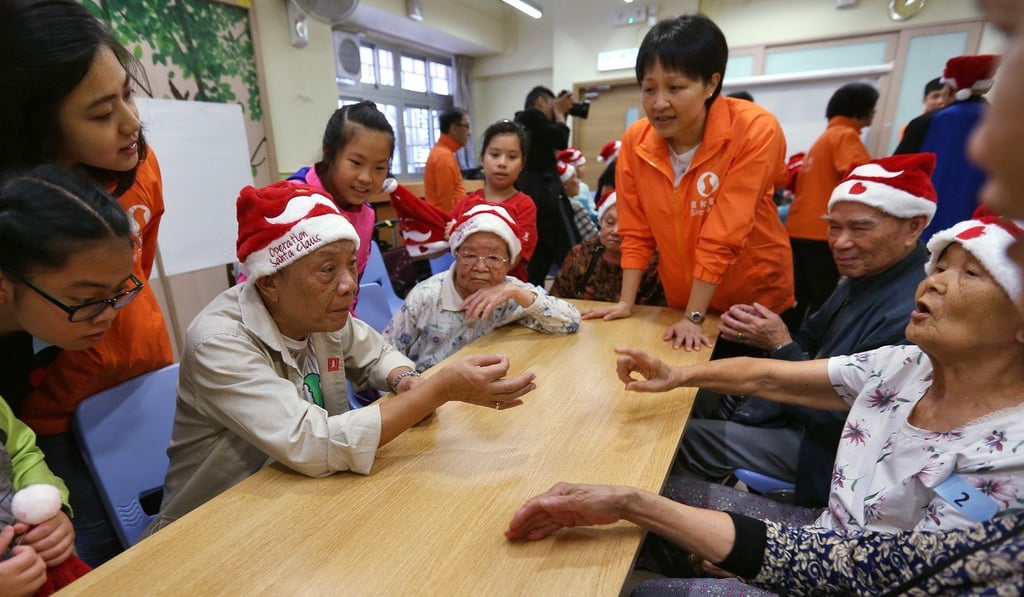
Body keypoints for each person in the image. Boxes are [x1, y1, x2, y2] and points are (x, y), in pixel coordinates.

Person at [148, 182, 536, 532]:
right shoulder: (220, 341)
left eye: (351, 263)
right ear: (269, 282)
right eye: (327, 269)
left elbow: (377, 354)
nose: (349, 284)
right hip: (211, 525)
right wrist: (437, 390)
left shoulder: (318, 313)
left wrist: (405, 380)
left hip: (296, 501)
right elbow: (310, 443)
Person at [0, 0, 174, 566]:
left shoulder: (138, 169)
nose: (131, 123)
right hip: (48, 415)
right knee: (90, 548)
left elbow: (134, 274)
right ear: (36, 126)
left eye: (128, 94)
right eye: (101, 114)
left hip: (142, 382)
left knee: (166, 526)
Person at [681, 153, 935, 507]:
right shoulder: (864, 276)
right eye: (834, 227)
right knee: (684, 397)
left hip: (830, 447)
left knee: (685, 438)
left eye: (860, 228)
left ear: (914, 227)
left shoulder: (914, 312)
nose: (840, 242)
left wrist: (779, 345)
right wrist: (765, 333)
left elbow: (846, 416)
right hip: (800, 410)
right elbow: (808, 338)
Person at [581, 14, 794, 352]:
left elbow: (725, 232)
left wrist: (695, 317)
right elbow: (635, 231)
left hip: (751, 303)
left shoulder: (754, 129)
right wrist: (626, 302)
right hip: (682, 302)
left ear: (710, 84)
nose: (658, 103)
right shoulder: (636, 141)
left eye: (675, 88)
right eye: (649, 89)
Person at [0, 165, 149, 592]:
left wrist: (49, 507)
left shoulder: (46, 319)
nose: (108, 315)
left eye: (118, 291)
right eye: (86, 299)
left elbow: (16, 446)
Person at [383, 205, 579, 372]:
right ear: (456, 254)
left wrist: (513, 292)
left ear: (508, 263)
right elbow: (384, 355)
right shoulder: (425, 296)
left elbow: (570, 321)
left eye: (493, 258)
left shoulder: (509, 291)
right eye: (469, 256)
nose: (480, 267)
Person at [784, 82, 878, 325]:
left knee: (801, 297)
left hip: (799, 228)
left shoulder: (824, 138)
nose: (875, 112)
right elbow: (863, 178)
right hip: (822, 232)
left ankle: (789, 342)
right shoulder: (845, 136)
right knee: (822, 300)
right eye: (873, 107)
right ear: (861, 109)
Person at [287, 101, 394, 287]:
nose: (366, 178)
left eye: (379, 167)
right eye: (356, 162)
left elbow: (353, 283)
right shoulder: (293, 201)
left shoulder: (366, 215)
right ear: (329, 154)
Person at [896, 55, 1000, 241]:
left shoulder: (926, 122)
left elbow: (898, 170)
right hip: (982, 228)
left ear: (950, 87)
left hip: (923, 220)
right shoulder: (1005, 124)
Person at [451, 120, 538, 282]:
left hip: (507, 289)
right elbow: (455, 249)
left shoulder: (525, 206)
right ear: (482, 159)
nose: (502, 163)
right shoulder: (465, 204)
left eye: (512, 157)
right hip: (467, 287)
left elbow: (516, 257)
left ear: (522, 164)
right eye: (495, 155)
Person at [515, 86, 581, 286]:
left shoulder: (524, 123)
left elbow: (553, 146)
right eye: (551, 104)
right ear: (541, 102)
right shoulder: (533, 116)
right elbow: (561, 141)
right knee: (574, 258)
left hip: (533, 197)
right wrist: (560, 113)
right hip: (548, 197)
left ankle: (532, 298)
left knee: (538, 261)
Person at [550, 191, 665, 306]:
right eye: (610, 222)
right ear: (600, 222)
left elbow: (660, 310)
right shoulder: (581, 254)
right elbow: (556, 301)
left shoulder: (653, 263)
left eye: (626, 225)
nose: (616, 231)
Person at [423, 107, 470, 213]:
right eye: (467, 126)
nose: (469, 133)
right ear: (454, 128)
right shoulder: (443, 156)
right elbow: (446, 205)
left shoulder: (443, 152)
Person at [557, 162, 597, 242]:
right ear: (565, 186)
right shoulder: (575, 206)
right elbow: (593, 237)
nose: (578, 181)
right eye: (574, 177)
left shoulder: (556, 204)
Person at [557, 148, 596, 221]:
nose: (584, 168)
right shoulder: (580, 190)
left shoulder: (584, 187)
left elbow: (591, 210)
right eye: (581, 165)